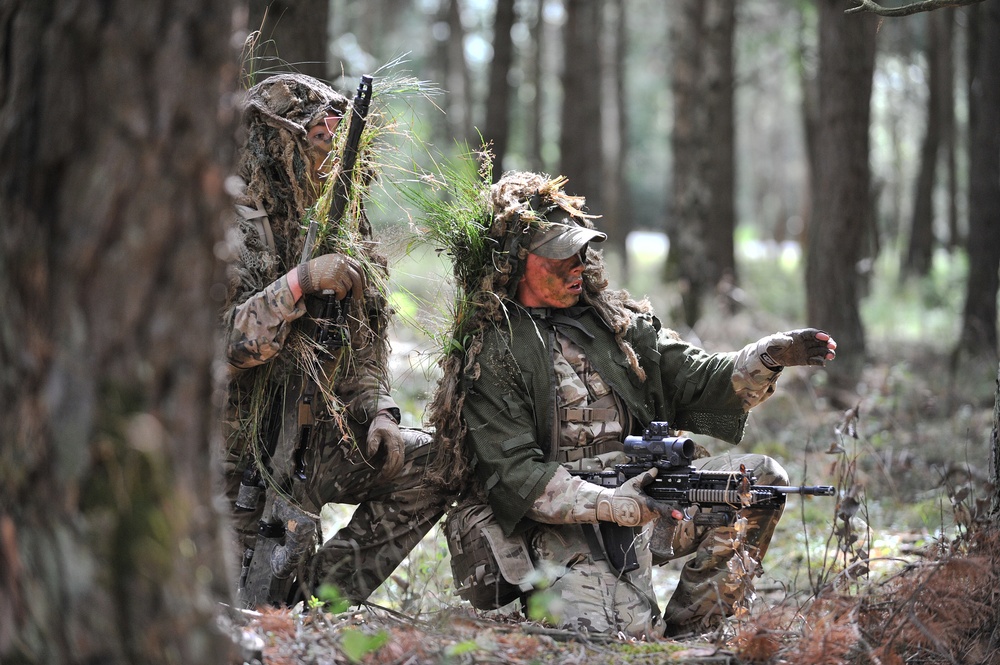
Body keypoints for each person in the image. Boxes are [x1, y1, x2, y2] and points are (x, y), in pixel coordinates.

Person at [431, 171, 836, 638]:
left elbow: (699, 378)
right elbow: (517, 475)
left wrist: (765, 356)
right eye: (561, 254)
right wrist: (609, 504)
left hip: (646, 499)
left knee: (758, 482)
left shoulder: (618, 327)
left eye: (581, 250)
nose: (577, 264)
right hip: (557, 522)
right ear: (516, 261)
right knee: (625, 639)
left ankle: (697, 633)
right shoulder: (493, 349)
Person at [221, 73, 446, 607]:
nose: (327, 158)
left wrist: (381, 411)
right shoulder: (227, 227)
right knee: (241, 608)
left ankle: (322, 595)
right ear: (275, 143)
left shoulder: (343, 226)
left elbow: (365, 342)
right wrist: (298, 284)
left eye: (336, 144)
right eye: (316, 141)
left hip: (316, 444)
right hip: (234, 462)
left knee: (438, 463)